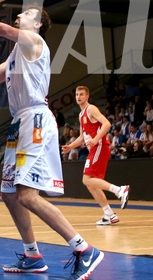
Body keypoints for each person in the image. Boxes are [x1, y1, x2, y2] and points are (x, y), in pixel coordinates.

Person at [0, 7, 103, 279]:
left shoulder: (35, 42)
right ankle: (33, 255)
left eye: (26, 13)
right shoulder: (16, 55)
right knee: (9, 193)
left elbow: (2, 30)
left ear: (37, 24)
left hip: (36, 120)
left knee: (27, 195)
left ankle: (84, 249)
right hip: (19, 123)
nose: (19, 16)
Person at [62, 86, 130, 226]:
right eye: (76, 94)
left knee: (86, 179)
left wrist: (96, 138)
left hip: (99, 146)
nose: (78, 97)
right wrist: (71, 146)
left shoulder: (91, 109)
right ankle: (109, 214)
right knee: (91, 184)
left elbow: (107, 124)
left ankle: (119, 190)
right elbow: (82, 137)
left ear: (87, 96)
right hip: (94, 149)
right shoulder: (81, 115)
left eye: (81, 94)